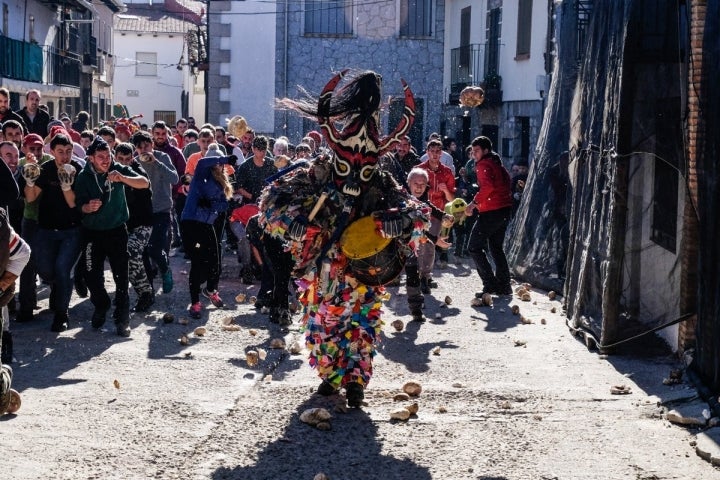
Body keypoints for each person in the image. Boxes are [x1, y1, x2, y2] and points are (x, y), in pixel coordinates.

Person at [264, 69, 428, 407]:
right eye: (347, 168)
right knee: (322, 322)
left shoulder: (380, 183)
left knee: (360, 322)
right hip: (321, 268)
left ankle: (354, 379)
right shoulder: (317, 172)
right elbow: (269, 203)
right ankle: (330, 374)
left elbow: (419, 214)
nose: (355, 178)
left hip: (362, 269)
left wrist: (394, 223)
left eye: (364, 170)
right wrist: (295, 225)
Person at [73, 137, 150, 337]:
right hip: (92, 232)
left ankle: (122, 318)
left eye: (108, 156)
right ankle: (102, 304)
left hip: (117, 230)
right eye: (100, 157)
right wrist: (87, 207)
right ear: (91, 158)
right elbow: (77, 206)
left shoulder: (118, 168)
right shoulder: (83, 177)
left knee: (121, 276)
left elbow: (144, 183)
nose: (106, 160)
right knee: (91, 275)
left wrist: (123, 178)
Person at [22, 133, 83, 332]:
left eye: (68, 151)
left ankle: (61, 314)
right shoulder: (46, 170)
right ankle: (60, 286)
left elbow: (73, 203)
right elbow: (31, 199)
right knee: (46, 270)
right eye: (60, 152)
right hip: (46, 230)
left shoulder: (78, 170)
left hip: (72, 230)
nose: (65, 156)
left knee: (63, 269)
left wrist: (67, 184)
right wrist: (29, 182)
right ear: (52, 152)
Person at [180, 154, 237, 319]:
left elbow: (222, 205)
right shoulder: (201, 175)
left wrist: (213, 204)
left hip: (207, 226)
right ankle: (195, 302)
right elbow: (202, 161)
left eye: (221, 164)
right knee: (198, 261)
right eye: (217, 163)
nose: (219, 166)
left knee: (215, 261)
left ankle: (211, 290)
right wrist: (225, 158)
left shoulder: (222, 183)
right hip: (191, 224)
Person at [464, 136, 514, 296]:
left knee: (474, 247)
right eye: (472, 151)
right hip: (504, 210)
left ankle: (490, 284)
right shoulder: (496, 163)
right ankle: (504, 286)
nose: (474, 155)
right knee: (496, 248)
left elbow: (488, 187)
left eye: (477, 151)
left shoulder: (484, 164)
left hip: (491, 212)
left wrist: (473, 204)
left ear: (486, 150)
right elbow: (507, 182)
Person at [131, 131, 178, 295]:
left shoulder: (162, 157)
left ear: (152, 144)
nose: (144, 150)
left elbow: (175, 179)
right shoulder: (134, 163)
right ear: (135, 148)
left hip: (162, 210)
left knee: (155, 248)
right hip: (142, 212)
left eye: (147, 145)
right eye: (140, 147)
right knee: (142, 253)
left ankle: (165, 270)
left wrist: (156, 162)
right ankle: (147, 293)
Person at [404, 167, 453, 320]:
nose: (419, 187)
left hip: (411, 246)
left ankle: (416, 310)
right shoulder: (400, 199)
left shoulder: (423, 201)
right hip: (397, 244)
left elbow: (432, 209)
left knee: (413, 271)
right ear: (408, 183)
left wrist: (445, 215)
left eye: (422, 184)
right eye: (415, 183)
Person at [113, 143, 155, 312]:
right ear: (115, 157)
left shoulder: (137, 171)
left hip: (142, 224)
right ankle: (123, 293)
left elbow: (144, 183)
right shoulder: (110, 169)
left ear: (132, 158)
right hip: (121, 224)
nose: (123, 162)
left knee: (131, 252)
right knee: (119, 259)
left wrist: (122, 178)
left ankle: (145, 292)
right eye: (120, 159)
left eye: (127, 159)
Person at [417, 138, 455, 269]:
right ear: (427, 152)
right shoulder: (419, 170)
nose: (434, 154)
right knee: (418, 243)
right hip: (420, 212)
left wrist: (445, 190)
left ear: (441, 153)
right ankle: (417, 272)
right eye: (432, 151)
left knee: (429, 244)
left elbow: (451, 199)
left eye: (438, 151)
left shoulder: (447, 172)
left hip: (437, 213)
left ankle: (426, 274)